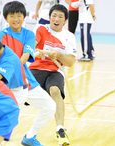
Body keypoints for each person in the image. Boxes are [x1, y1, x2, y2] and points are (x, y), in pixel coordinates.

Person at [0, 1, 56, 146]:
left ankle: (30, 137)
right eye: (12, 16)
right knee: (9, 117)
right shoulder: (2, 35)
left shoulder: (29, 34)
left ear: (24, 17)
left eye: (19, 15)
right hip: (10, 83)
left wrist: (14, 64)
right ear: (6, 18)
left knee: (49, 107)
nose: (16, 19)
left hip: (27, 80)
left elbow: (25, 56)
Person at [29, 4, 76, 145]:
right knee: (20, 94)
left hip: (55, 71)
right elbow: (33, 44)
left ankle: (60, 130)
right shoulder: (41, 28)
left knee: (55, 91)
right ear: (49, 17)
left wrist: (60, 55)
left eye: (60, 16)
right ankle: (2, 133)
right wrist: (38, 50)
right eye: (54, 15)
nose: (56, 19)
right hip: (36, 69)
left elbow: (71, 61)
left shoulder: (69, 36)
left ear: (65, 20)